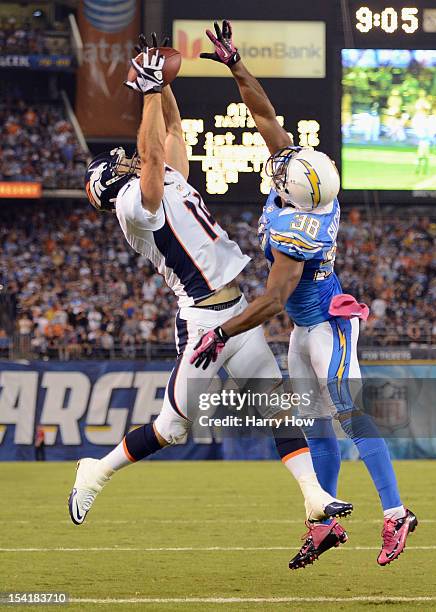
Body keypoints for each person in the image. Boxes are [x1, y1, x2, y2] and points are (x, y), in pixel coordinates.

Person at [68, 33, 353, 532]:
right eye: (117, 164)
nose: (126, 158)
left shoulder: (161, 178)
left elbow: (172, 130)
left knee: (277, 410)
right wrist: (149, 90)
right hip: (202, 320)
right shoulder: (134, 207)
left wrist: (161, 83)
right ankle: (97, 469)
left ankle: (314, 498)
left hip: (235, 312)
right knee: (170, 429)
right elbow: (152, 157)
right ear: (110, 186)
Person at [191, 20, 417, 568]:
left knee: (348, 413)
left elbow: (269, 302)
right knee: (314, 426)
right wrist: (236, 64)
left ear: (293, 191)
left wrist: (221, 330)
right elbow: (265, 114)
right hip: (303, 325)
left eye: (284, 167)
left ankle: (396, 513)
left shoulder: (299, 234)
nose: (280, 160)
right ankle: (325, 522)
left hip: (325, 324)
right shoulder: (307, 188)